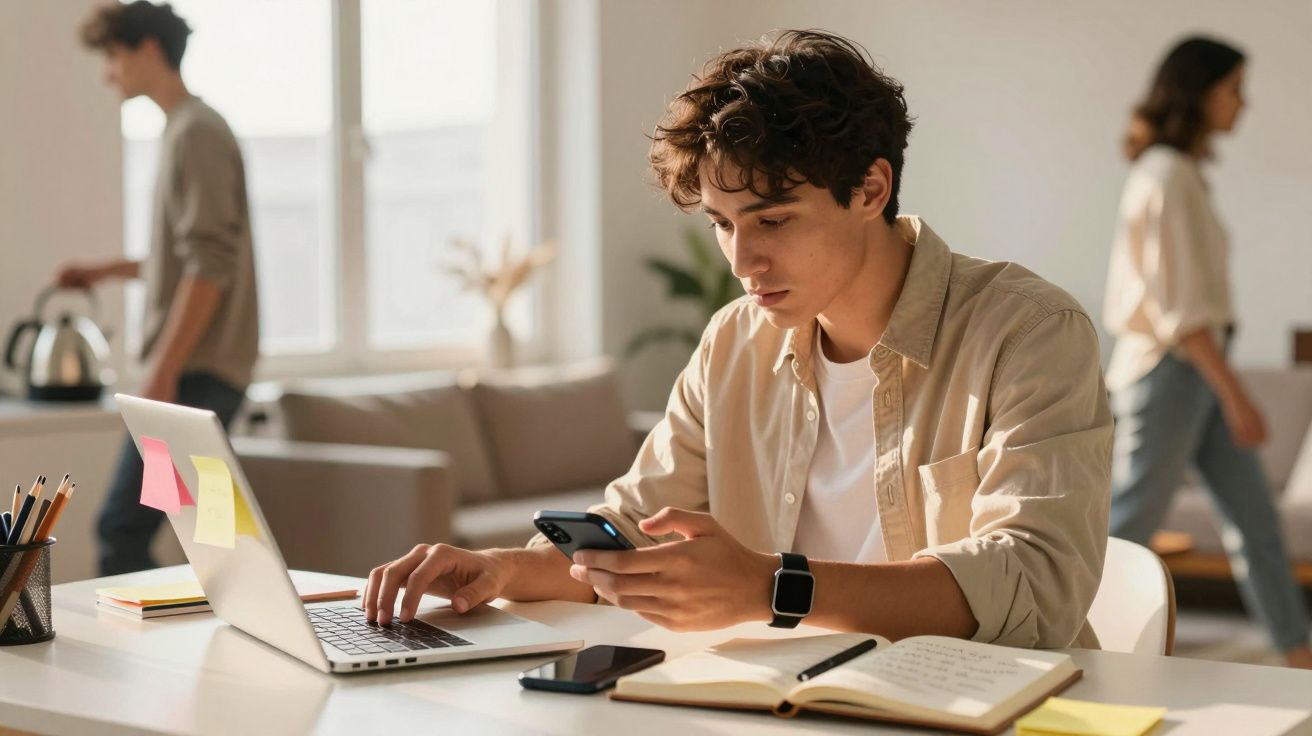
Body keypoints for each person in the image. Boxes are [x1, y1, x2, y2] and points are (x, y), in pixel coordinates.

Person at [367, 30, 1112, 648]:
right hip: (787, 700)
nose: (742, 261)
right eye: (723, 224)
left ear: (871, 190)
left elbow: (1033, 585)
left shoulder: (1029, 333)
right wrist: (495, 570)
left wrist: (770, 586)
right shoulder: (734, 341)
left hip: (985, 708)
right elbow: (633, 533)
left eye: (773, 219)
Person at [1104, 36, 1312, 668]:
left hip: (1194, 372)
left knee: (1257, 524)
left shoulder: (1183, 174)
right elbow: (1185, 313)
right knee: (1129, 532)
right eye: (1234, 89)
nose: (1243, 105)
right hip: (1172, 374)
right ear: (1198, 93)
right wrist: (1237, 396)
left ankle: (1298, 656)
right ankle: (1075, 646)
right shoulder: (1166, 175)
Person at [66, 1, 260, 575]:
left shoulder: (195, 133)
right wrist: (104, 271)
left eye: (114, 56)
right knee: (214, 540)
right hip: (199, 374)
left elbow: (210, 265)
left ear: (149, 50)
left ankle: (145, 662)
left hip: (193, 377)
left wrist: (164, 369)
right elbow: (184, 262)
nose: (108, 72)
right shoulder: (187, 130)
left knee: (123, 528)